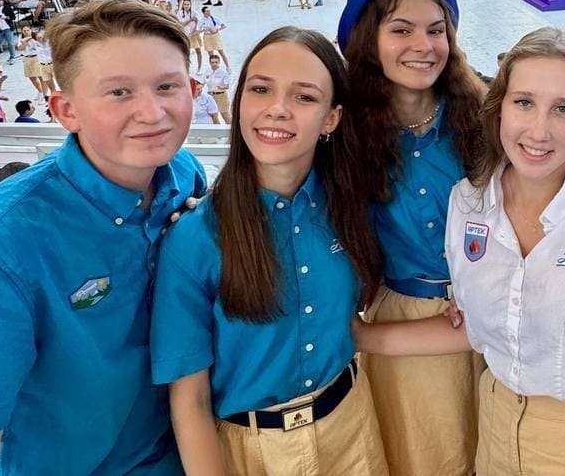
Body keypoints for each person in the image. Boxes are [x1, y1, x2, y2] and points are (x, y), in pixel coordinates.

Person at [339, 0, 565, 476]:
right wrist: (356, 331)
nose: (538, 129)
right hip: (481, 379)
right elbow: (479, 323)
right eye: (401, 29)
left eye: (435, 29)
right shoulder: (455, 192)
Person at [0, 0, 206, 473]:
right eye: (119, 92)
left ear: (192, 90)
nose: (152, 112)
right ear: (66, 110)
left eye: (166, 86)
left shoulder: (181, 175)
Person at [152, 28, 389, 475]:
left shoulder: (350, 206)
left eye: (304, 97)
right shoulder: (194, 239)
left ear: (332, 118)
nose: (277, 109)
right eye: (260, 89)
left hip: (352, 427)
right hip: (253, 452)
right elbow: (190, 399)